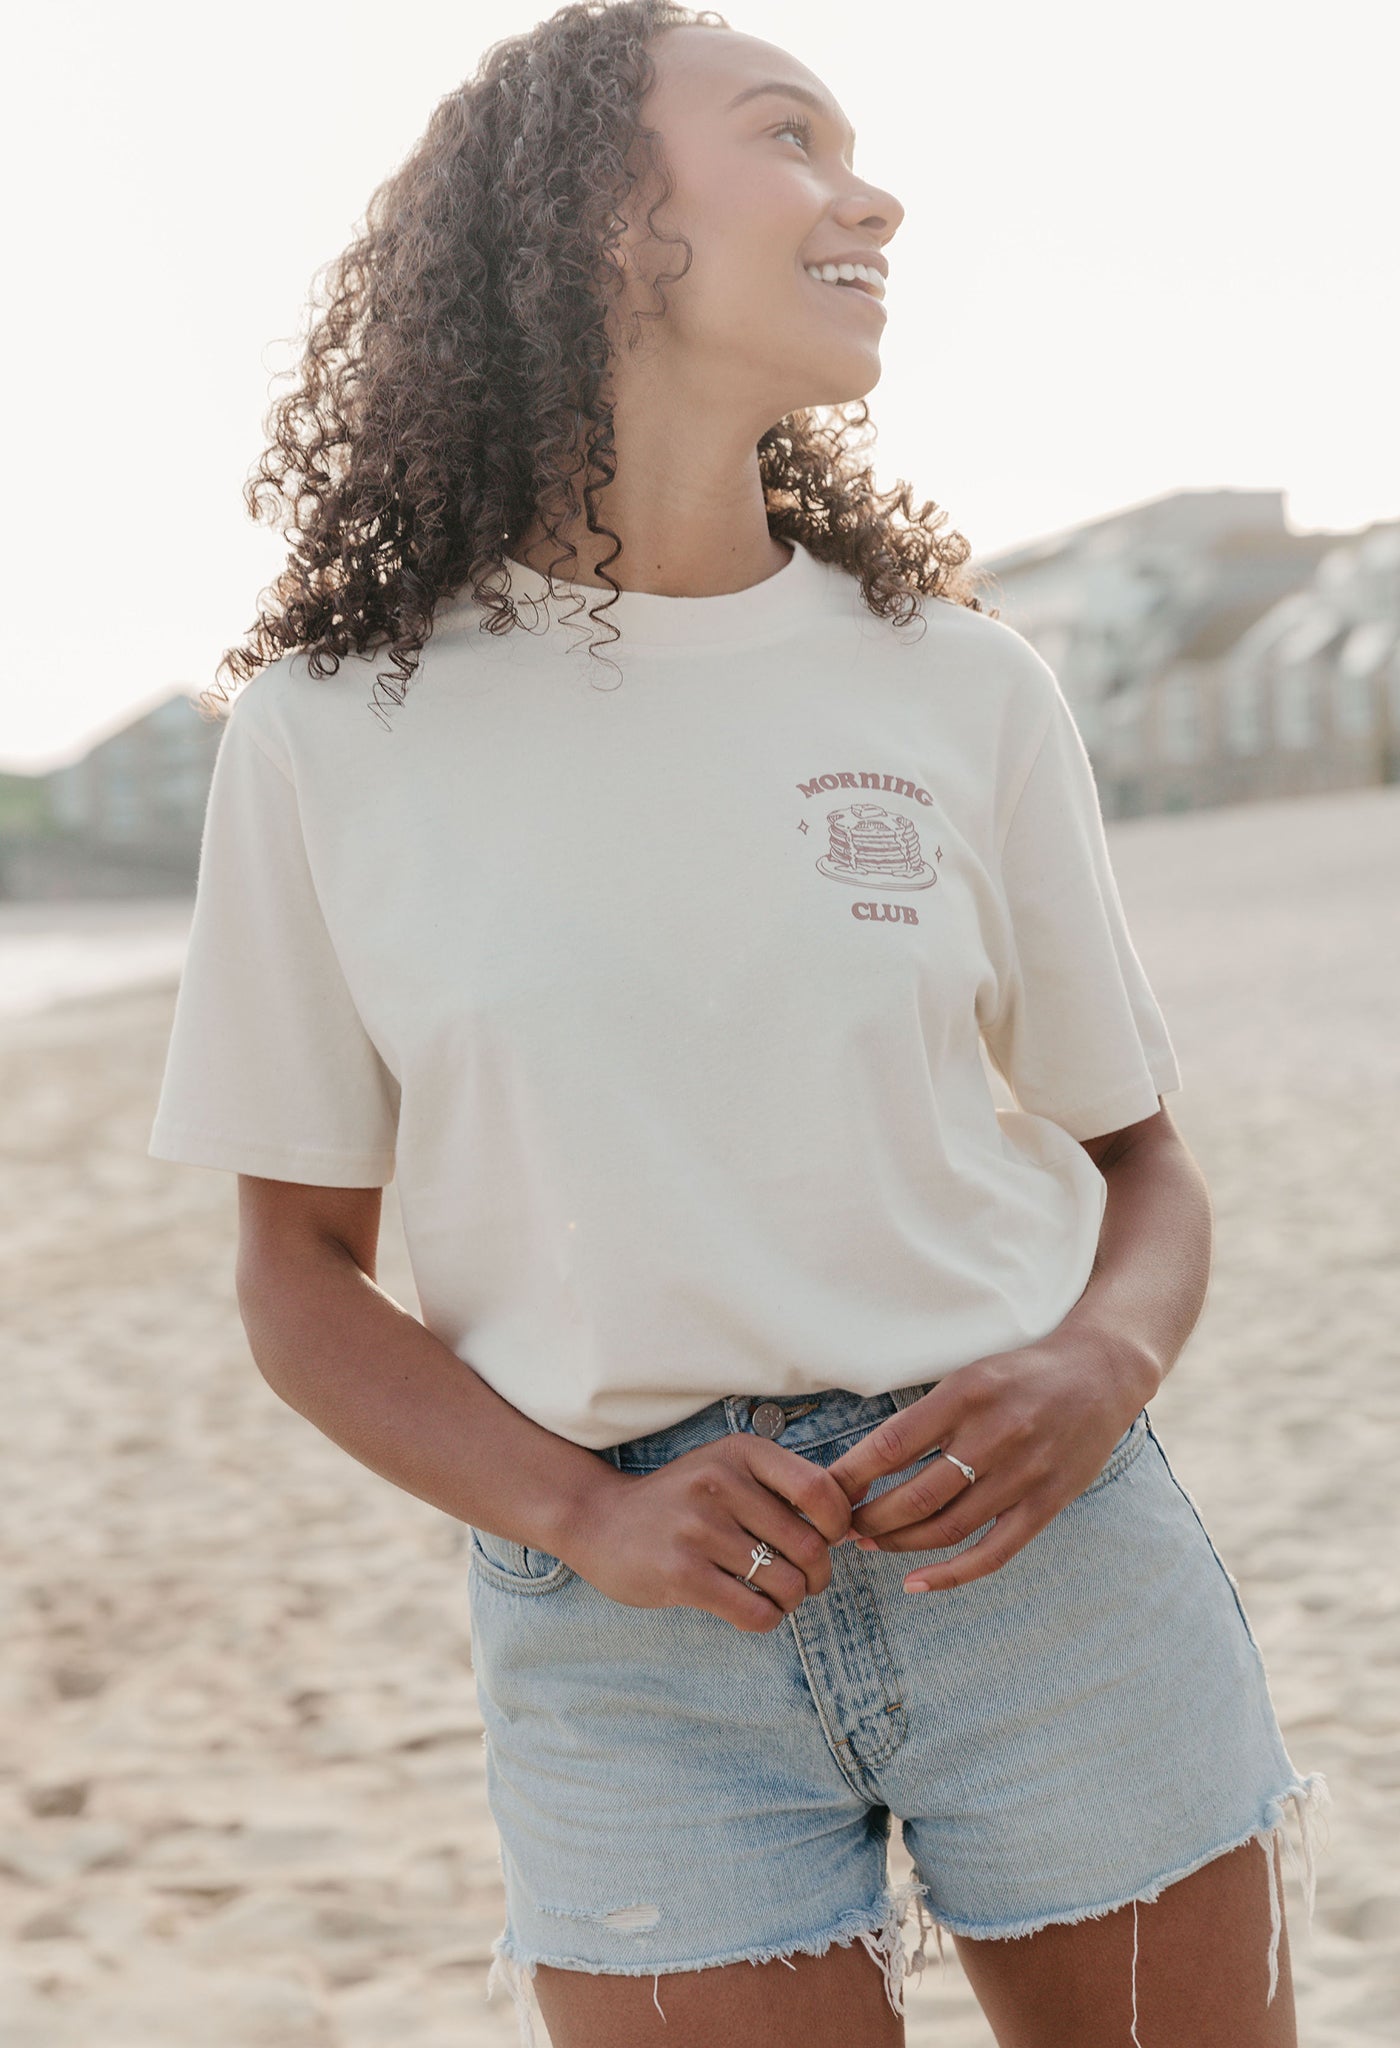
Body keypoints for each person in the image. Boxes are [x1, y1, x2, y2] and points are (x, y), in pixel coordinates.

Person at [147, 5, 1329, 2044]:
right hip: (628, 1643)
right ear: (604, 219)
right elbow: (294, 1273)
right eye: (791, 135)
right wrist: (587, 1512)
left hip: (1040, 1563)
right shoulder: (334, 731)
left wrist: (1098, 1366)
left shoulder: (961, 688)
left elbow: (1138, 1158)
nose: (869, 190)